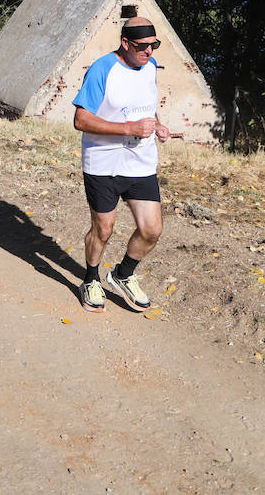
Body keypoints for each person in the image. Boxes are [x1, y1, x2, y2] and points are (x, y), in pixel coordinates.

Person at [71, 16, 170, 313]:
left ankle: (123, 275)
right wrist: (129, 128)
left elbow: (147, 107)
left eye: (154, 45)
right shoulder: (103, 69)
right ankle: (91, 279)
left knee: (152, 229)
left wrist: (158, 126)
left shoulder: (150, 67)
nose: (149, 52)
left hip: (140, 163)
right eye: (143, 46)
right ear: (125, 43)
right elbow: (81, 120)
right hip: (103, 164)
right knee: (103, 229)